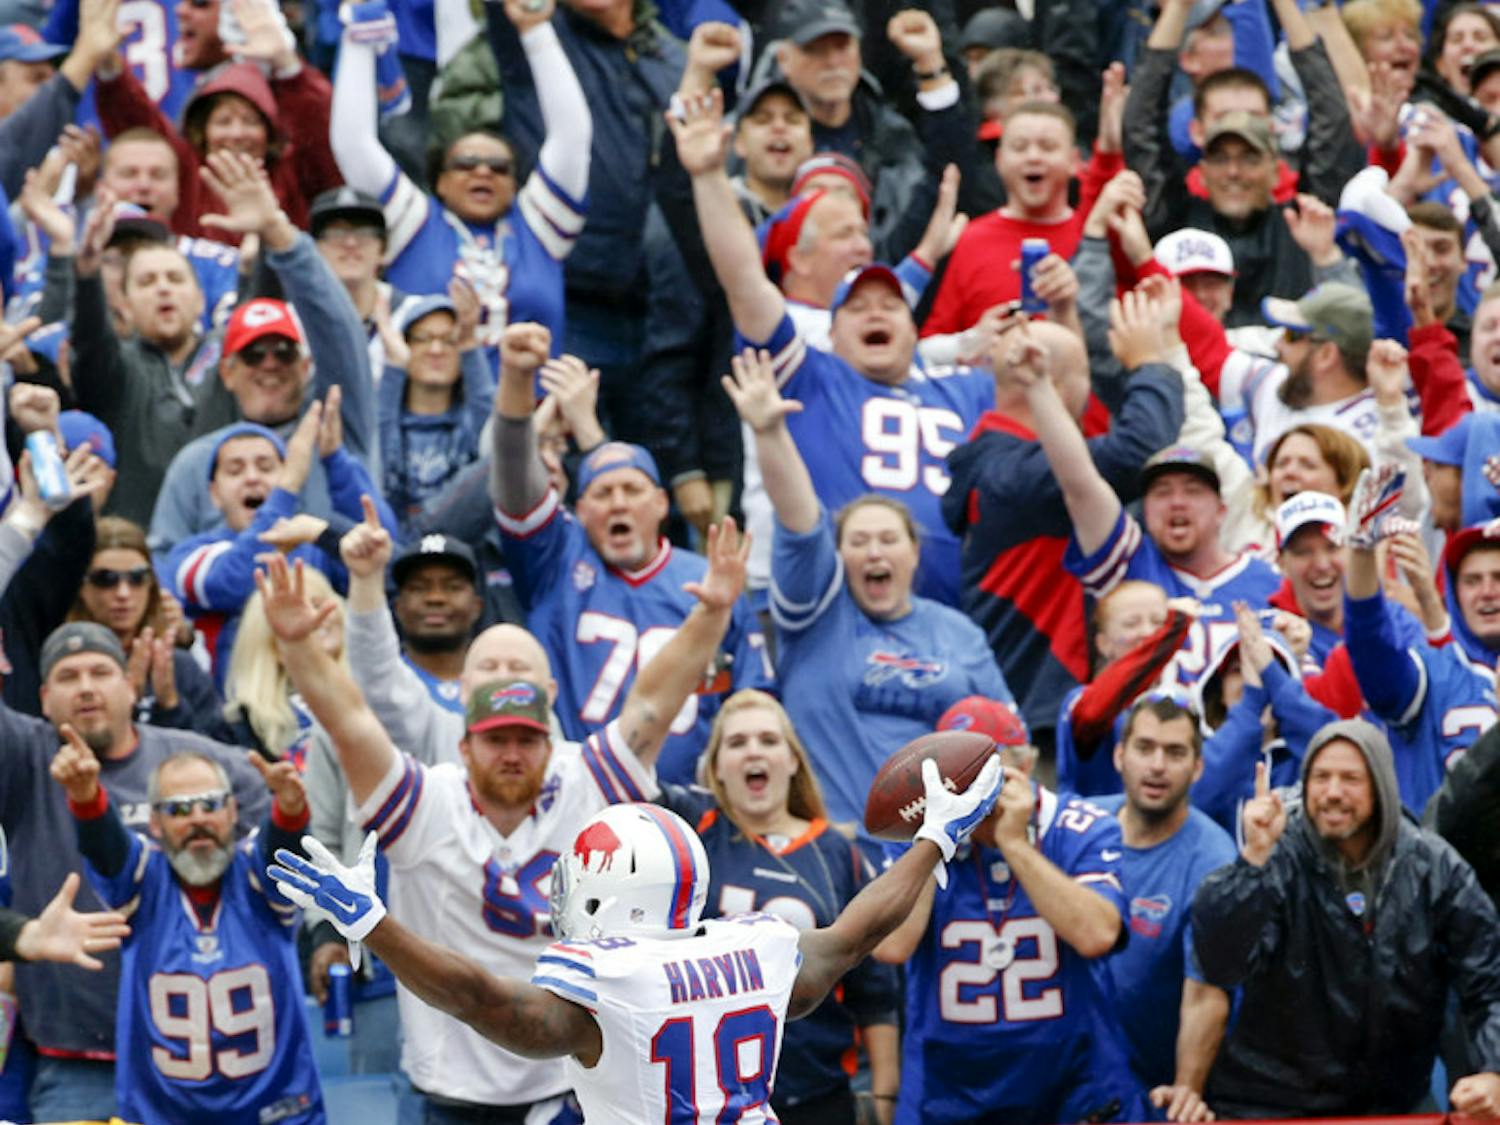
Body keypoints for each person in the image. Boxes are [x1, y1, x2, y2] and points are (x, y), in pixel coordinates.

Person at [257, 511, 752, 1120]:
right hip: (452, 1086)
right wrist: (298, 645)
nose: (513, 754)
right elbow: (352, 721)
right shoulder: (427, 801)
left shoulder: (586, 778)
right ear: (463, 746)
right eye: (496, 740)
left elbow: (654, 699)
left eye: (526, 738)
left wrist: (712, 613)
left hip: (570, 1083)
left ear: (553, 741)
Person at [268, 760, 1003, 1124]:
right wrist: (935, 838)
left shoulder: (608, 978)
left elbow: (479, 997)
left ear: (604, 890)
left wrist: (374, 924)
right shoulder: (756, 948)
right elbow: (855, 932)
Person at [673, 87, 994, 606]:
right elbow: (744, 282)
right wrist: (709, 177)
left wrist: (967, 344)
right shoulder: (806, 356)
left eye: (892, 306)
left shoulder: (946, 379)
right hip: (801, 595)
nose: (864, 245)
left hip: (942, 613)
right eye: (844, 233)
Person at [724, 344, 1009, 826]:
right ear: (838, 558)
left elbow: (1006, 740)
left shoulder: (958, 632)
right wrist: (769, 431)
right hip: (835, 849)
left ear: (914, 553)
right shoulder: (814, 615)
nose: (874, 552)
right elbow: (800, 522)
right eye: (858, 541)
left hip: (936, 858)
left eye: (887, 540)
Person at [0, 619, 269, 1120]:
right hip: (78, 1066)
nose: (85, 687)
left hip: (206, 1062)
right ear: (42, 698)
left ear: (131, 685)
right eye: (67, 676)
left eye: (101, 671)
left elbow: (275, 857)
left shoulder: (200, 763)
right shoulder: (26, 757)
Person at [491, 323, 772, 783]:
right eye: (602, 494)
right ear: (579, 511)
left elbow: (751, 701)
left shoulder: (709, 581)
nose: (618, 502)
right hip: (574, 798)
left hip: (688, 807)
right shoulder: (556, 562)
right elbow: (515, 478)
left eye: (631, 490)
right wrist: (517, 382)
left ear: (662, 504)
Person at [1192, 723, 1500, 1117]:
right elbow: (1219, 960)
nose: (1333, 792)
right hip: (1269, 1105)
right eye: (1321, 777)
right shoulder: (1277, 857)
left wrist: (1494, 1069)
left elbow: (1490, 979)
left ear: (1381, 788)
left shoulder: (1434, 868)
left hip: (1390, 1105)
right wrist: (1252, 861)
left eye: (1350, 778)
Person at [872, 704, 1145, 1124]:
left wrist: (1016, 845)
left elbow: (1098, 935)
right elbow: (891, 945)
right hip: (948, 1092)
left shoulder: (1081, 826)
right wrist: (934, 838)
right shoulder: (914, 837)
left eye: (989, 775)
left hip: (1072, 1088)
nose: (978, 796)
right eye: (964, 779)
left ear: (1028, 764)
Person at [943, 284, 1184, 748]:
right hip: (1040, 721)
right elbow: (1139, 449)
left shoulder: (1003, 462)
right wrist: (1151, 363)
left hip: (1051, 710)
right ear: (1053, 387)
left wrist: (1068, 313)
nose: (1090, 392)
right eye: (1084, 376)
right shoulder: (1012, 473)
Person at [51, 731, 324, 1124]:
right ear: (156, 823)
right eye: (179, 810)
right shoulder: (143, 881)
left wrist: (291, 809)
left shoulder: (257, 877)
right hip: (162, 1114)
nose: (197, 819)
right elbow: (107, 851)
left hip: (277, 1112)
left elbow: (286, 857)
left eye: (209, 805)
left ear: (233, 811)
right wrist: (85, 798)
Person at [655, 689, 901, 1123]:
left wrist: (885, 1097)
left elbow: (873, 990)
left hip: (817, 1093)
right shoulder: (693, 834)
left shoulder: (836, 852)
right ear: (715, 769)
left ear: (792, 760)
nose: (754, 751)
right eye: (737, 743)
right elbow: (627, 774)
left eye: (769, 740)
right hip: (705, 1097)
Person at [332, 0, 588, 348]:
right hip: (427, 400)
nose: (482, 171)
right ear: (439, 182)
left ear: (516, 184)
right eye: (465, 164)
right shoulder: (413, 225)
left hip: (533, 401)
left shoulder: (541, 227)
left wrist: (536, 31)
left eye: (499, 167)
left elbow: (572, 136)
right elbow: (353, 144)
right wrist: (359, 36)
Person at [1091, 694, 1235, 1117]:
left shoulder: (1214, 861)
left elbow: (1205, 995)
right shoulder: (1080, 825)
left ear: (1198, 767)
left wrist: (1185, 1091)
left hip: (1147, 1088)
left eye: (1175, 753)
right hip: (1067, 1075)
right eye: (1144, 748)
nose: (1157, 765)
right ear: (1119, 756)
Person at [69, 516, 228, 742]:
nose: (123, 593)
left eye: (137, 578)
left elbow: (218, 755)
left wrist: (171, 707)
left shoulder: (179, 666)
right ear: (81, 587)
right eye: (106, 579)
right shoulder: (66, 666)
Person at [222, 569, 347, 768]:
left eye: (318, 605)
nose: (314, 617)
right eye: (296, 613)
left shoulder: (375, 694)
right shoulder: (241, 726)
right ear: (269, 642)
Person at [387, 533, 483, 714]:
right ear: (398, 607)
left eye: (453, 587)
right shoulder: (379, 686)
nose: (435, 598)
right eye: (419, 588)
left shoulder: (500, 686)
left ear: (477, 606)